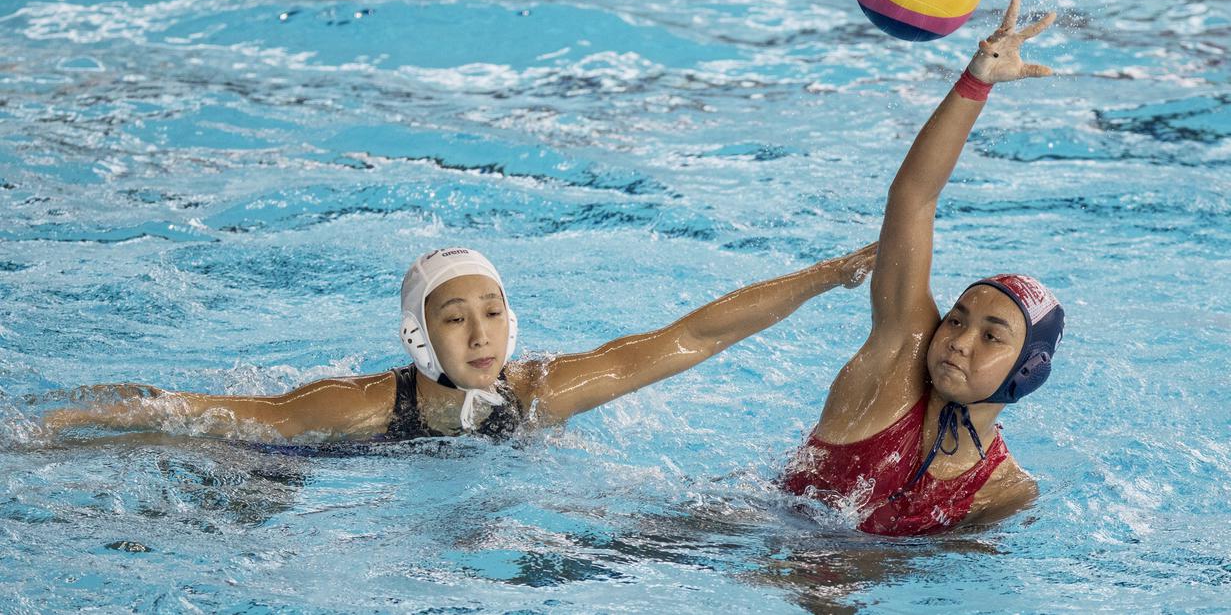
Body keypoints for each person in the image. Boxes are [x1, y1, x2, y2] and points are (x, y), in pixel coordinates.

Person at [44, 243, 877, 442]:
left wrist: (827, 275)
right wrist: (53, 431)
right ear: (418, 336)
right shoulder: (359, 403)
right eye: (454, 317)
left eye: (492, 310)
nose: (480, 333)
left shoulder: (539, 390)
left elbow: (691, 334)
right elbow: (201, 413)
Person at [780, 0, 1065, 536]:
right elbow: (912, 197)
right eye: (957, 319)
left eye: (990, 336)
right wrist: (976, 81)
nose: (957, 340)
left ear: (1027, 371)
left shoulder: (1003, 493)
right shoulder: (899, 357)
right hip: (732, 545)